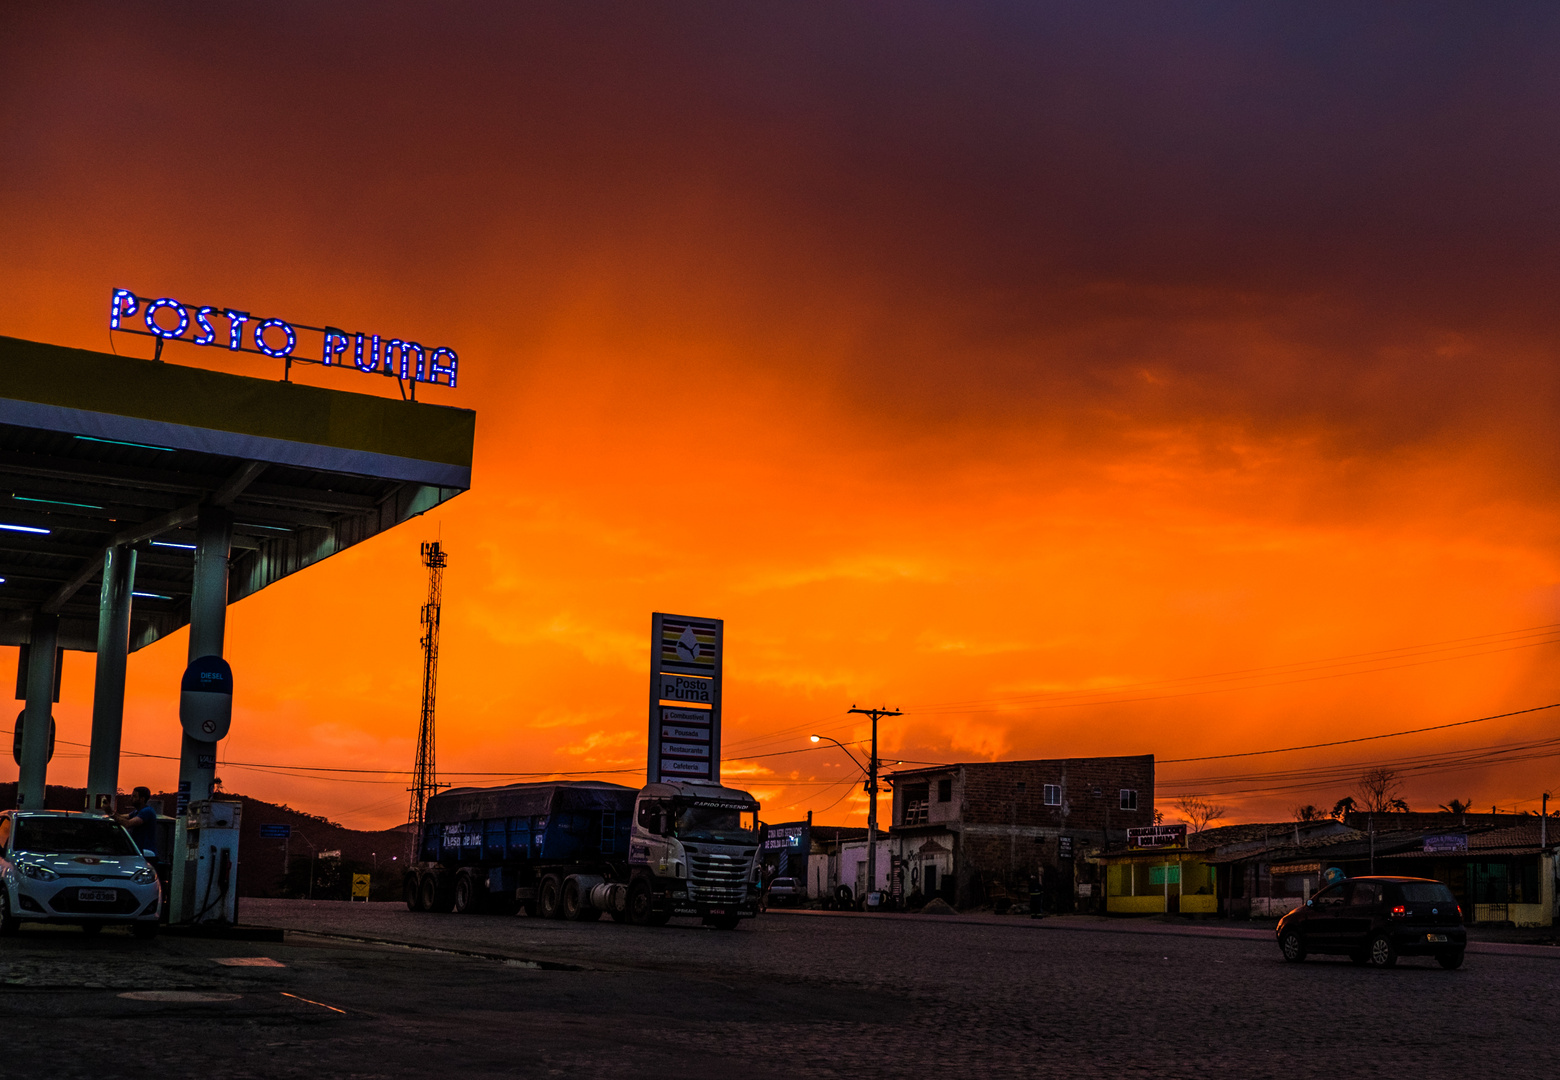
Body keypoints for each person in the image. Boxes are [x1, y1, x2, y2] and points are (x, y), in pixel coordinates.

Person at [114, 787, 159, 859]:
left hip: (146, 854)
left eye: (134, 796)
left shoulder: (147, 812)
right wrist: (110, 813)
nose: (131, 799)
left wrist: (111, 814)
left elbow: (127, 823)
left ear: (142, 799)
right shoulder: (136, 812)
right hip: (138, 853)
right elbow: (121, 817)